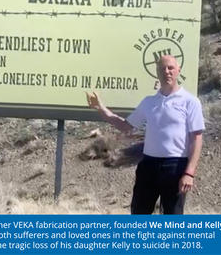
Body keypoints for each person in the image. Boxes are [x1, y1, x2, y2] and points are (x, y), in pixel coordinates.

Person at [86, 55, 205, 214]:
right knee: (139, 213)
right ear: (157, 72)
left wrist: (189, 173)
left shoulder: (190, 101)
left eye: (170, 68)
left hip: (175, 166)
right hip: (148, 165)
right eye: (162, 68)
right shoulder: (149, 102)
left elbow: (196, 139)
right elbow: (125, 126)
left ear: (178, 70)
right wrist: (101, 109)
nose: (167, 72)